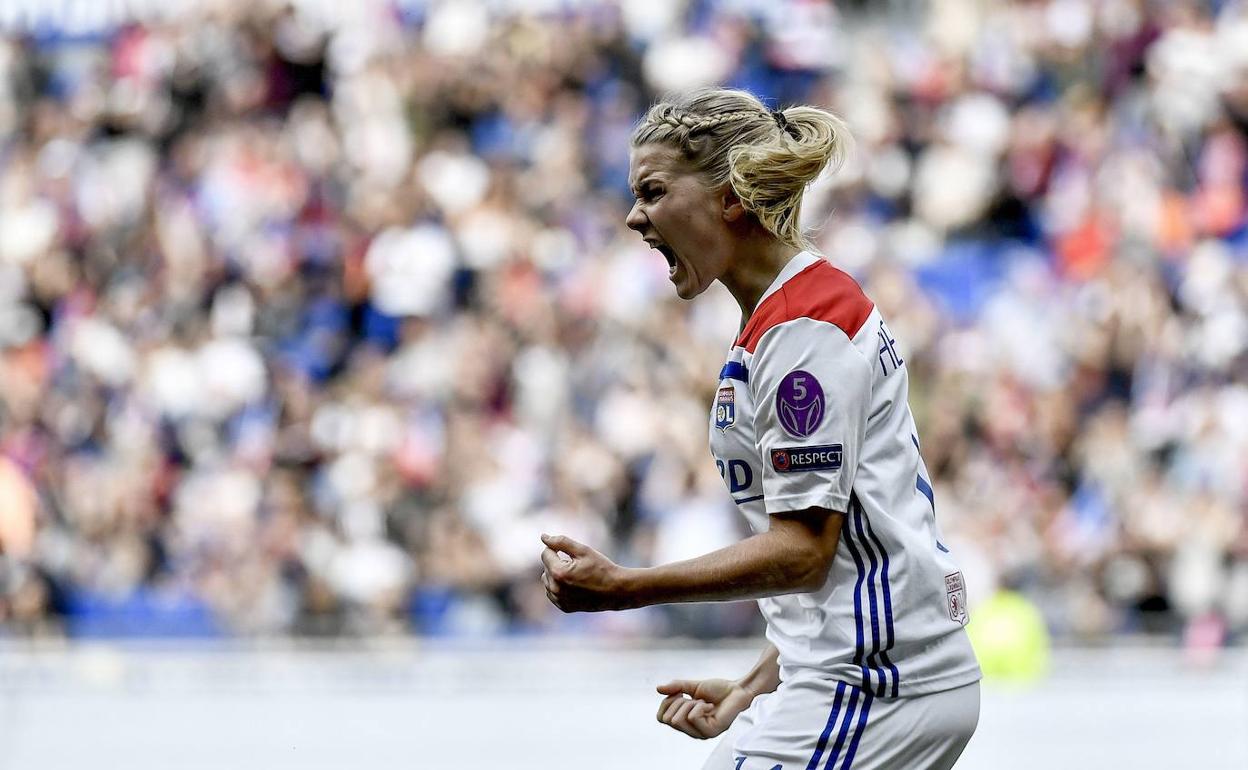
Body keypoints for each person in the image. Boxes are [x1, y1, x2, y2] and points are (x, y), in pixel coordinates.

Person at [539, 88, 982, 770]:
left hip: (876, 686)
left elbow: (803, 551)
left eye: (653, 191)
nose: (634, 217)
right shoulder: (784, 320)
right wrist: (749, 690)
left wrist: (627, 587)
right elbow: (846, 558)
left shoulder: (805, 328)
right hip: (850, 676)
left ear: (729, 197)